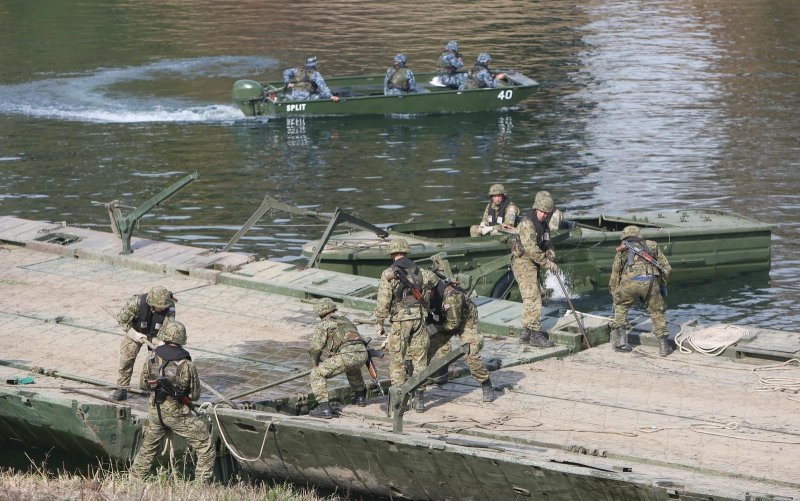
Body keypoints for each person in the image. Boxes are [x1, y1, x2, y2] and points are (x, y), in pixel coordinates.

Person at [129, 320, 215, 483]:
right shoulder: (187, 364)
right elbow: (195, 395)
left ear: (164, 335)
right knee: (205, 446)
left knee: (148, 448)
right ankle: (202, 485)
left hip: (155, 412)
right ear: (182, 339)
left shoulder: (152, 356)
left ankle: (134, 480)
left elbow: (143, 384)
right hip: (177, 415)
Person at [375, 238, 439, 413]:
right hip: (420, 318)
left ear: (392, 254)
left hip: (400, 321)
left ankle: (399, 403)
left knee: (397, 360)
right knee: (420, 359)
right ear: (406, 252)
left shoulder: (389, 273)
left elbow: (383, 301)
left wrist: (380, 323)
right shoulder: (421, 272)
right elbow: (435, 283)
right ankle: (419, 400)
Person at [427, 277, 496, 402]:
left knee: (470, 353)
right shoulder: (423, 296)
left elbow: (452, 325)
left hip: (465, 320)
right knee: (427, 348)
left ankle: (485, 383)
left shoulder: (451, 296)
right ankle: (440, 373)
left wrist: (433, 329)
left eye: (426, 292)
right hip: (445, 320)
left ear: (432, 290)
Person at [609, 225, 673, 356]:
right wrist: (662, 285)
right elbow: (667, 268)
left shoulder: (622, 249)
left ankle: (621, 341)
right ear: (639, 235)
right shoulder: (652, 245)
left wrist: (615, 293)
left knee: (621, 307)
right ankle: (664, 347)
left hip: (628, 283)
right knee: (656, 312)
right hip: (650, 283)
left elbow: (615, 274)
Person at [511, 191, 560, 348]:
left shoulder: (544, 225)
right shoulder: (527, 223)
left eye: (547, 213)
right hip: (523, 262)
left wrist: (551, 254)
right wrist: (548, 264)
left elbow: (547, 243)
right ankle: (535, 335)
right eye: (542, 212)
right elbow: (531, 249)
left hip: (533, 263)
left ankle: (525, 332)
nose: (544, 215)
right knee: (534, 298)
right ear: (536, 208)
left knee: (530, 298)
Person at [111, 286, 176, 401]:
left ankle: (147, 387)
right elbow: (122, 320)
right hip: (136, 331)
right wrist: (134, 334)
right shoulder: (136, 303)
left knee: (154, 362)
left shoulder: (169, 306)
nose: (161, 309)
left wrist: (161, 343)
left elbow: (169, 327)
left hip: (156, 335)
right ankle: (122, 388)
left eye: (163, 307)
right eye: (158, 307)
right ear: (151, 303)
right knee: (127, 358)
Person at [307, 298, 369, 419]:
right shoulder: (346, 320)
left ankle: (324, 408)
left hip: (347, 355)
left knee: (316, 374)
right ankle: (360, 397)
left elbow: (315, 348)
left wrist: (315, 362)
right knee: (352, 367)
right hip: (362, 354)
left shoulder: (324, 324)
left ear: (320, 312)